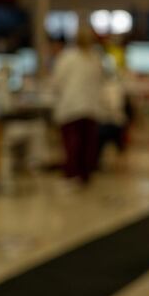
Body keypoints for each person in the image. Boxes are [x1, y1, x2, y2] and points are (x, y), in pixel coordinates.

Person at [50, 28, 103, 185]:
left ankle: (72, 175)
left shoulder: (67, 57)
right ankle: (84, 176)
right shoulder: (95, 58)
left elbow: (57, 82)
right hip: (90, 107)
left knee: (72, 145)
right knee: (86, 145)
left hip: (71, 107)